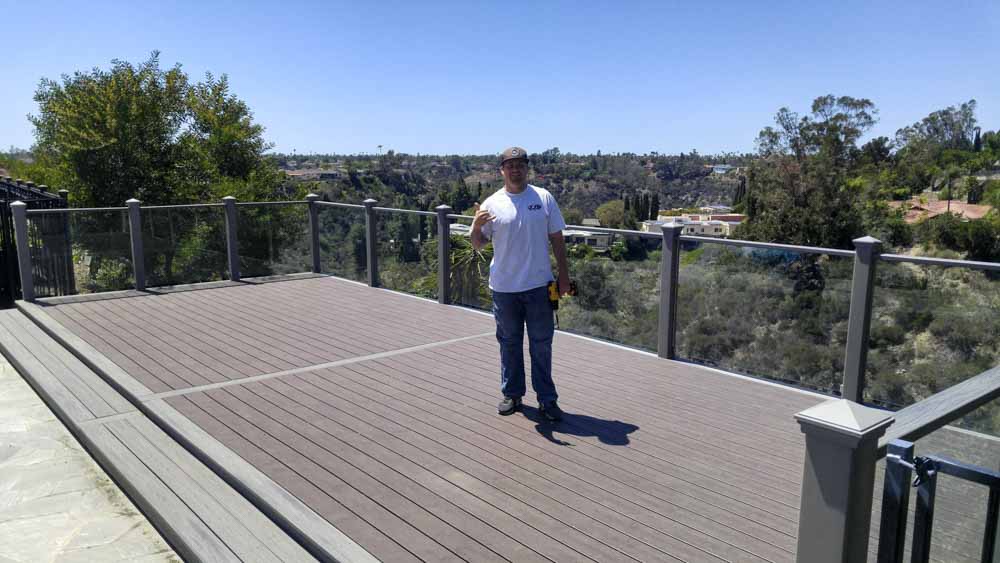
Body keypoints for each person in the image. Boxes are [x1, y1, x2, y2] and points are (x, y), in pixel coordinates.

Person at [471, 146, 571, 422]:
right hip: (504, 289)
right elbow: (478, 244)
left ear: (527, 168)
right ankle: (512, 395)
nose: (515, 169)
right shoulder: (491, 204)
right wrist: (476, 226)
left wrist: (564, 276)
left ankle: (547, 400)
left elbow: (557, 238)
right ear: (502, 170)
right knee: (509, 343)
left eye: (520, 165)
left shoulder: (543, 198)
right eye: (510, 165)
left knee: (542, 345)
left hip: (539, 286)